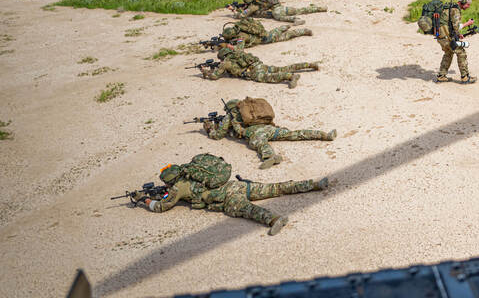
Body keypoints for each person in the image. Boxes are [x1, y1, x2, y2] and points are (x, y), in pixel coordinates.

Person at [135, 158, 329, 235]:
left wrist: (145, 200)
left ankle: (275, 220)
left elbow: (161, 207)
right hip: (236, 185)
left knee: (250, 210)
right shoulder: (193, 173)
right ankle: (313, 184)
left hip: (228, 198)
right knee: (276, 188)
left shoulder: (178, 189)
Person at [202, 98, 335, 168]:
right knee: (293, 134)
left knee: (260, 143)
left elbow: (218, 135)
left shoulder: (230, 116)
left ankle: (270, 157)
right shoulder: (251, 110)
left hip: (256, 133)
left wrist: (209, 128)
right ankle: (323, 135)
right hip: (269, 128)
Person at [199, 43, 319, 88]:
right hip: (258, 64)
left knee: (269, 78)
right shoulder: (238, 52)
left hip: (253, 72)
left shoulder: (225, 63)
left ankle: (290, 76)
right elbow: (240, 43)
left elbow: (215, 76)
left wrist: (204, 71)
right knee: (282, 67)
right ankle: (308, 65)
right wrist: (230, 45)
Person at [434, 0, 476, 84]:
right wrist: (468, 23)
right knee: (461, 52)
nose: (468, 6)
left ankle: (441, 76)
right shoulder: (455, 10)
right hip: (445, 36)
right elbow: (456, 26)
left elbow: (450, 25)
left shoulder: (449, 7)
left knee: (448, 53)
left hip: (440, 36)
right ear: (463, 2)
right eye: (468, 4)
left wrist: (458, 34)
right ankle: (465, 77)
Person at [232, 0, 326, 23]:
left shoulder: (254, 6)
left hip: (276, 11)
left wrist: (234, 12)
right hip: (281, 6)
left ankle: (295, 19)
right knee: (299, 10)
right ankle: (319, 8)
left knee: (279, 17)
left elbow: (242, 16)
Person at [220, 18, 312, 47]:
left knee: (287, 35)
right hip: (263, 34)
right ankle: (285, 26)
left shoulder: (241, 37)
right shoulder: (239, 28)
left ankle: (304, 31)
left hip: (265, 39)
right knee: (275, 31)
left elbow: (239, 50)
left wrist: (228, 45)